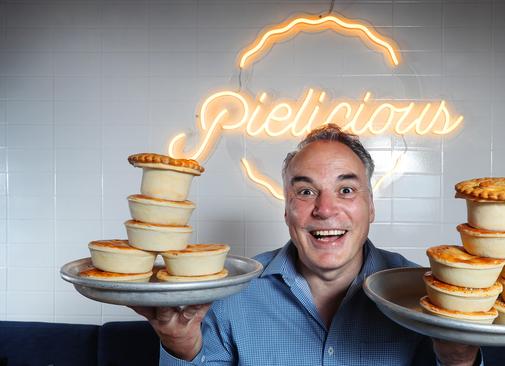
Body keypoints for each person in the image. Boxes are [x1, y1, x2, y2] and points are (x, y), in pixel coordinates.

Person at [132, 124, 481, 365]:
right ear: (286, 210)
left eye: (346, 190)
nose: (325, 209)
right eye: (305, 191)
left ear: (371, 206)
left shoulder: (421, 294)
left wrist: (459, 360)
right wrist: (181, 348)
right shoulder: (229, 292)